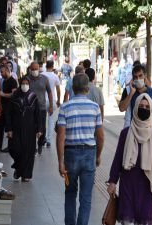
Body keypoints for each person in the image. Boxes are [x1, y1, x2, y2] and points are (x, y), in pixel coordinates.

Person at [107, 93, 152, 225]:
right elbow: (118, 159)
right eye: (140, 106)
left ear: (150, 110)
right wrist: (112, 181)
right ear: (135, 108)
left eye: (146, 107)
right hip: (128, 184)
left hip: (147, 186)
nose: (143, 109)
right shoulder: (126, 133)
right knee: (127, 221)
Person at [56, 74, 104, 225]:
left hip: (70, 154)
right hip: (89, 153)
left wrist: (60, 161)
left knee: (70, 194)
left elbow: (61, 136)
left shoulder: (65, 107)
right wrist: (98, 155)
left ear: (72, 88)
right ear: (87, 88)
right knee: (86, 197)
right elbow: (101, 136)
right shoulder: (95, 107)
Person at [6, 77, 43, 182]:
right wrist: (9, 129)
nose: (25, 85)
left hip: (30, 129)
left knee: (29, 152)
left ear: (29, 84)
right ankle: (18, 167)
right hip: (16, 128)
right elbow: (8, 114)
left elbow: (38, 114)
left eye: (27, 83)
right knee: (15, 149)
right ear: (20, 84)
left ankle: (25, 174)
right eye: (23, 83)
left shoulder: (33, 97)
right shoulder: (14, 96)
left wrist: (39, 129)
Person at [119, 65, 152, 129]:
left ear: (145, 76)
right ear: (133, 78)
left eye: (140, 76)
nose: (138, 79)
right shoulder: (127, 90)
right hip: (130, 129)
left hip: (147, 130)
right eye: (135, 77)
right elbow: (121, 108)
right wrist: (131, 94)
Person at [26, 62, 53, 155]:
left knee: (42, 127)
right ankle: (32, 146)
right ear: (30, 69)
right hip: (30, 107)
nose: (34, 71)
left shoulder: (44, 79)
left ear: (39, 69)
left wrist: (51, 105)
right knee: (31, 127)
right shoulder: (27, 79)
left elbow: (49, 92)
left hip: (41, 107)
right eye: (32, 69)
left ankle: (40, 144)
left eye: (36, 69)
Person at [0, 65, 18, 152]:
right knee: (1, 126)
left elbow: (14, 94)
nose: (1, 74)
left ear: (7, 71)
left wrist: (3, 94)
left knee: (9, 127)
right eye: (0, 72)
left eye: (2, 72)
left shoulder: (13, 81)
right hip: (4, 107)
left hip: (10, 107)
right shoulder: (4, 81)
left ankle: (10, 146)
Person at [41, 60, 61, 147]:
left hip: (42, 101)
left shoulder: (42, 75)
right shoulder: (55, 76)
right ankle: (49, 140)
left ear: (46, 66)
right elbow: (58, 90)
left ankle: (42, 138)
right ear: (52, 66)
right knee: (51, 120)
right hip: (51, 101)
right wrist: (58, 100)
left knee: (42, 120)